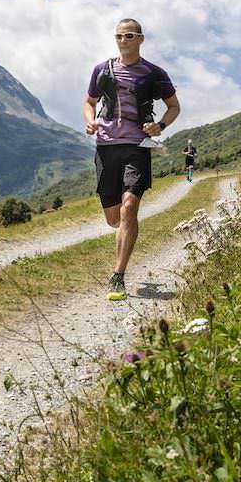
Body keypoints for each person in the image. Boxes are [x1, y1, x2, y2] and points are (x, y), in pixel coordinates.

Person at [83, 18, 180, 301]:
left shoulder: (154, 73)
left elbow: (174, 106)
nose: (123, 40)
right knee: (114, 218)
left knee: (129, 209)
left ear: (140, 39)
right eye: (119, 36)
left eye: (129, 35)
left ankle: (118, 275)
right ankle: (125, 230)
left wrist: (160, 126)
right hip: (106, 147)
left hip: (137, 146)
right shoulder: (101, 70)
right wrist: (90, 123)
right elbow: (89, 102)